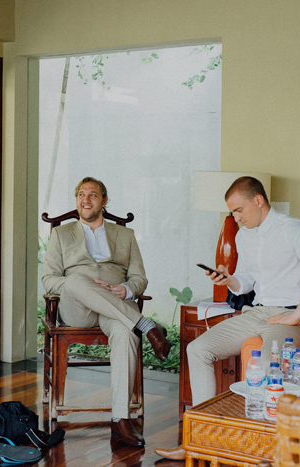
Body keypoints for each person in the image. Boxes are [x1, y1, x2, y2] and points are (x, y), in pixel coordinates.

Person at [155, 176, 300, 461]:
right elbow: (246, 282)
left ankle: (261, 451)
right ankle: (202, 441)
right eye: (232, 212)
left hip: (290, 314)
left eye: (239, 210)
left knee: (263, 367)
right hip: (256, 312)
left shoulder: (292, 228)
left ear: (259, 200)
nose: (236, 218)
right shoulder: (244, 236)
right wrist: (228, 279)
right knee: (198, 349)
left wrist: (297, 314)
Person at [42, 176, 171, 447]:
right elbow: (49, 279)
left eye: (92, 195)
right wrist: (84, 285)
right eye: (81, 194)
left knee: (125, 334)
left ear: (104, 200)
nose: (85, 199)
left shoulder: (125, 235)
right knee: (76, 280)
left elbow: (139, 278)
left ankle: (120, 420)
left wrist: (127, 289)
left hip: (116, 306)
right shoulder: (61, 234)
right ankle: (147, 326)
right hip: (77, 308)